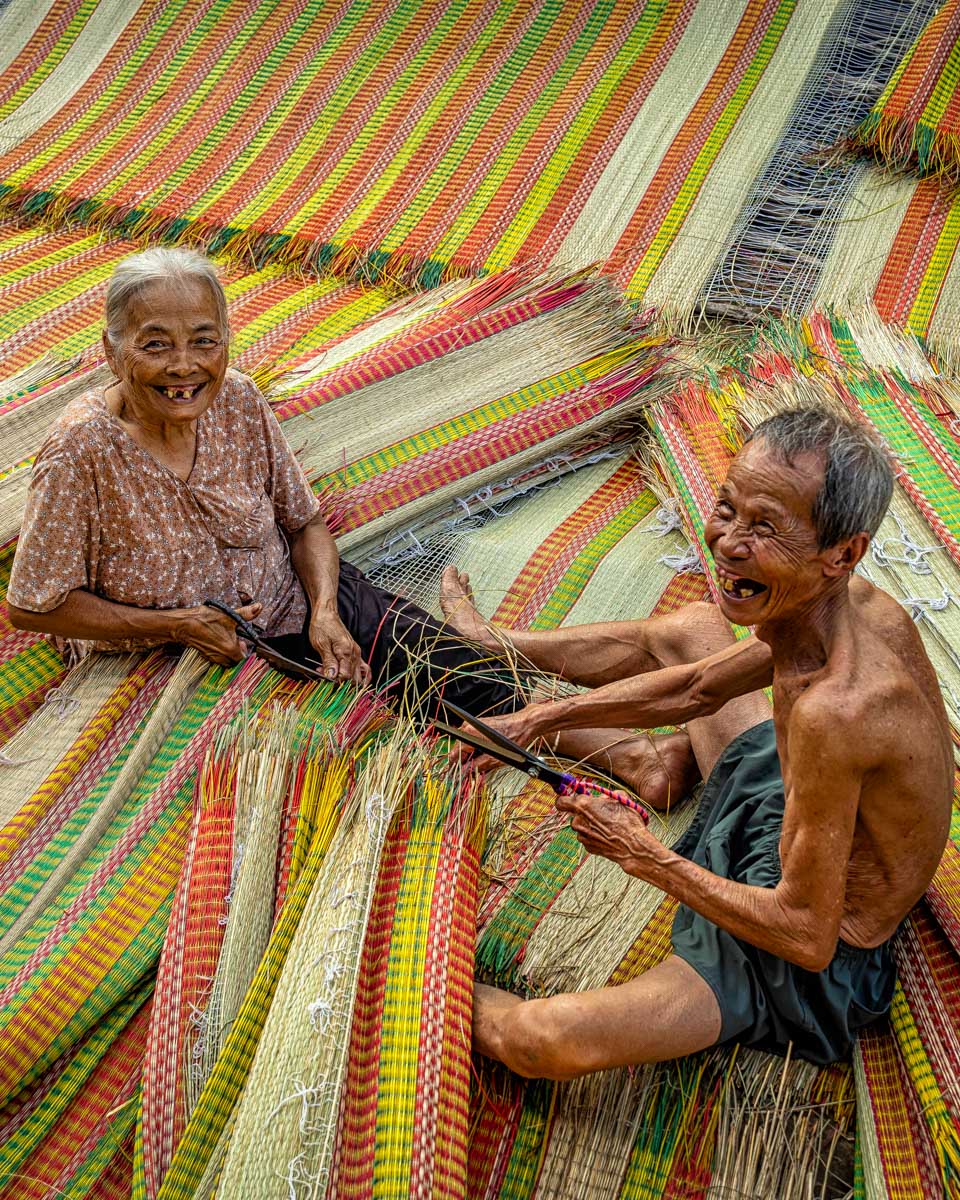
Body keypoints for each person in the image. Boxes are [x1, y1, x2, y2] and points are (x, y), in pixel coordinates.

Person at [438, 408, 953, 1072]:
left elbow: (807, 935)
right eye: (727, 508)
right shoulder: (851, 604)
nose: (728, 541)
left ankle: (410, 973)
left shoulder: (840, 710)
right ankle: (496, 645)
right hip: (795, 807)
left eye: (766, 526)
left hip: (802, 946)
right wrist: (541, 720)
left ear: (842, 553)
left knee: (544, 1040)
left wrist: (642, 854)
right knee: (696, 626)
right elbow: (697, 688)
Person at [4, 247, 518, 724]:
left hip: (298, 604)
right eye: (155, 344)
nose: (184, 366)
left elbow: (304, 522)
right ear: (114, 353)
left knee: (486, 694)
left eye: (204, 341)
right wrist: (176, 624)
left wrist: (323, 613)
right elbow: (32, 605)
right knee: (347, 752)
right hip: (177, 658)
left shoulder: (238, 401)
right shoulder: (82, 449)